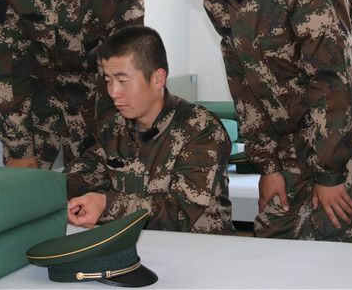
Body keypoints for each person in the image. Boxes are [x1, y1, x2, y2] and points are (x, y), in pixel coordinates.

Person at [156, 0, 352, 243]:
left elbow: (332, 83)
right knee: (273, 235)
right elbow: (244, 85)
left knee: (336, 240)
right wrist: (268, 166)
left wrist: (329, 174)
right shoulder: (218, 1)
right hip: (289, 137)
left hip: (345, 135)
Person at [0, 0, 144, 170]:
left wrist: (113, 141)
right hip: (35, 99)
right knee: (24, 185)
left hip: (98, 99)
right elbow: (6, 69)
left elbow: (123, 68)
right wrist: (18, 147)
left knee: (98, 187)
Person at [65, 25, 234, 234]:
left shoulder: (201, 129)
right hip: (133, 244)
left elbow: (178, 213)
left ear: (157, 79)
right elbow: (82, 174)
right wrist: (46, 192)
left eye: (122, 80)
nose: (113, 92)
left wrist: (107, 205)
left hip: (198, 247)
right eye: (108, 80)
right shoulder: (112, 126)